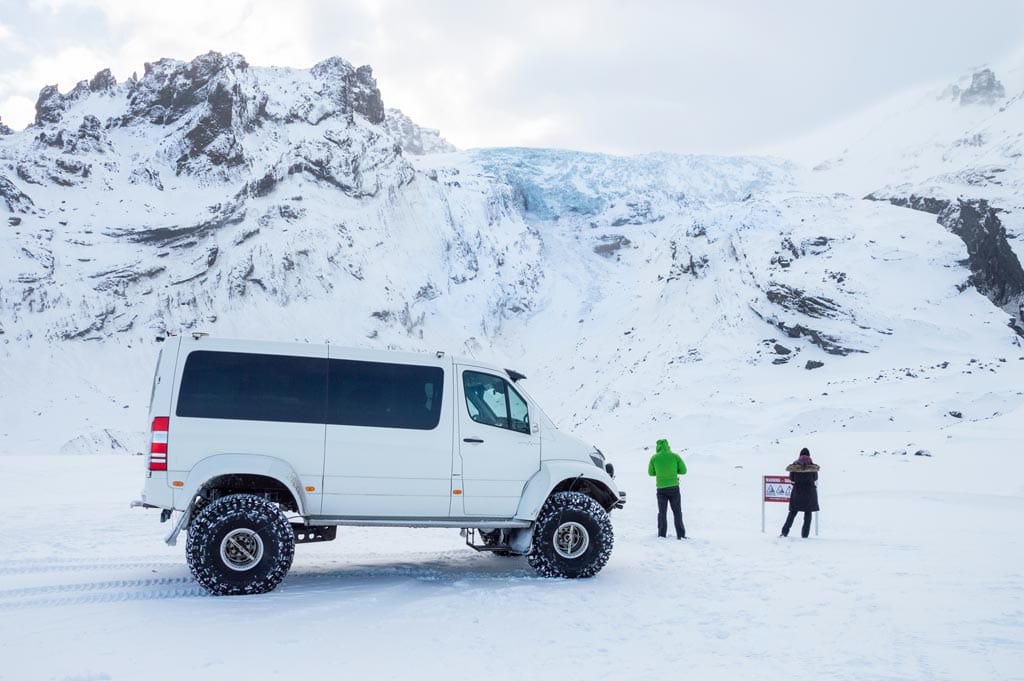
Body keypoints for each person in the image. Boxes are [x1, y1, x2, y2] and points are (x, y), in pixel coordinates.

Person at [648, 438, 687, 539]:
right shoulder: (675, 456)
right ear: (668, 445)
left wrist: (660, 472)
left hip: (661, 489)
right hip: (674, 487)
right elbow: (684, 471)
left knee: (662, 512)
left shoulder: (654, 458)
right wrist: (673, 471)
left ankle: (662, 534)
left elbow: (651, 473)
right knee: (677, 511)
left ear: (658, 447)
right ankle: (681, 535)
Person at [780, 447, 820, 538]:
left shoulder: (795, 465)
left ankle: (784, 532)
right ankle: (805, 535)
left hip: (797, 491)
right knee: (808, 514)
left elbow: (792, 478)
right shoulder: (812, 465)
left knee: (793, 512)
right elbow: (815, 478)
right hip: (810, 492)